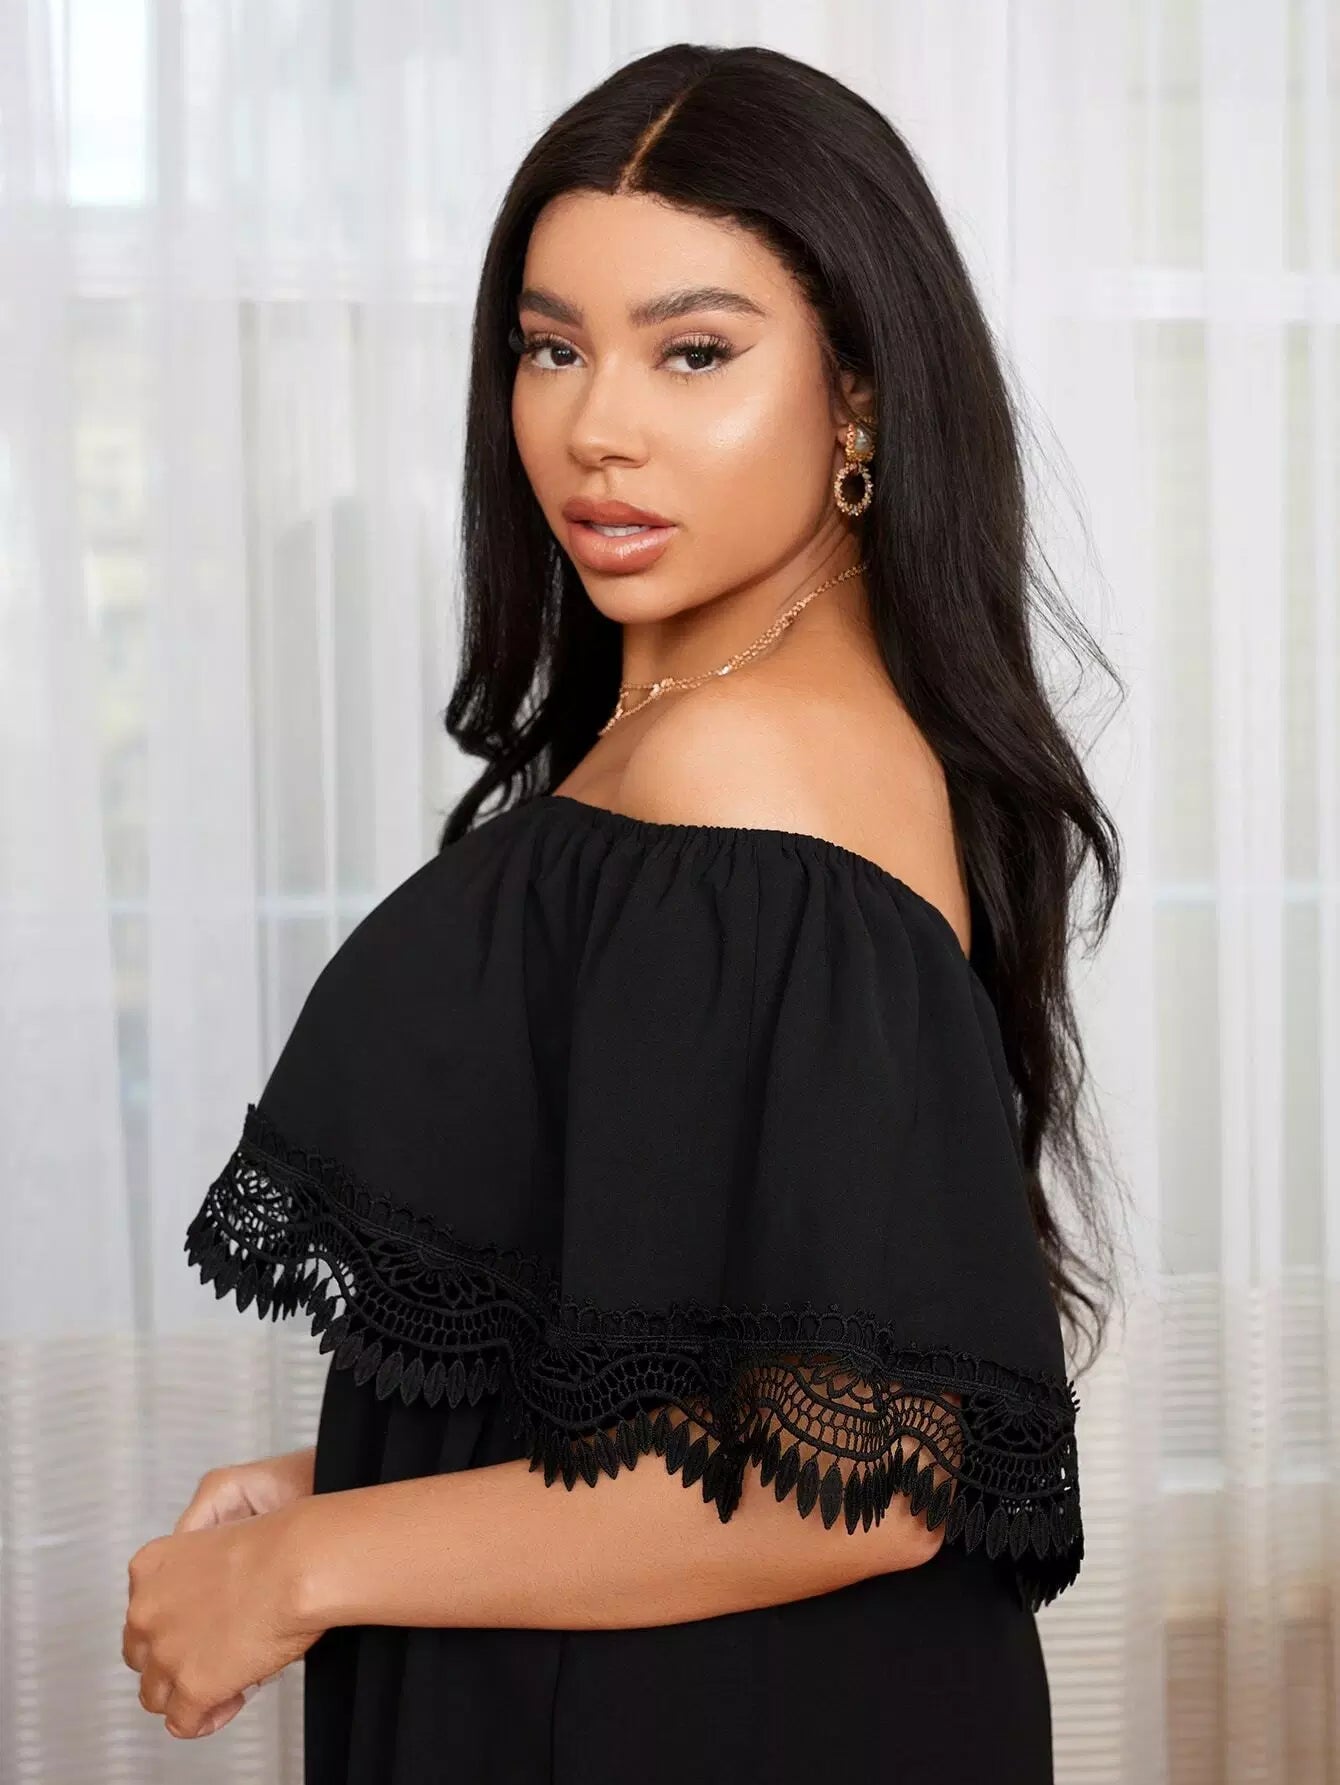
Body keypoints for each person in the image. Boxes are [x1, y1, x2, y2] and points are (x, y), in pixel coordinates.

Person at [122, 40, 1125, 1783]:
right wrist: (333, 1489)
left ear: (860, 395)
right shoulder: (700, 732)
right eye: (552, 346)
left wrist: (307, 1566)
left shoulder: (754, 767)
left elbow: (867, 1467)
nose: (597, 425)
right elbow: (653, 1353)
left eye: (695, 351)